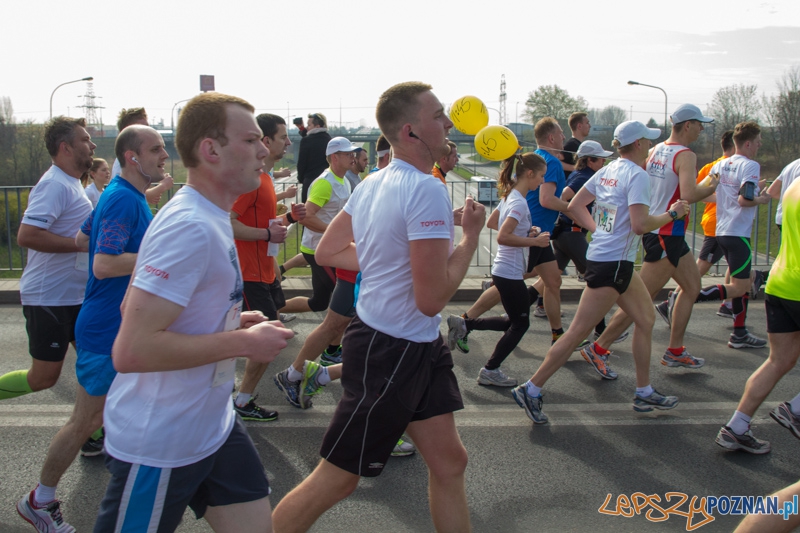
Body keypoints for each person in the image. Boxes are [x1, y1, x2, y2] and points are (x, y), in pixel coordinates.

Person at [272, 81, 485, 533]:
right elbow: (432, 300)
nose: (448, 122)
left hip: (415, 345)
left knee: (450, 462)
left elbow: (329, 251)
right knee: (336, 480)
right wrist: (469, 237)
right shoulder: (425, 190)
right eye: (439, 115)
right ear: (410, 131)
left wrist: (388, 258)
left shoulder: (372, 182)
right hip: (394, 348)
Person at [92, 93, 294, 533]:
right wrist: (243, 342)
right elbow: (133, 350)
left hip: (212, 426)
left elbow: (138, 306)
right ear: (211, 149)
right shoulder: (189, 226)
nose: (265, 150)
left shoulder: (210, 214)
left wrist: (229, 322)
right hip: (162, 439)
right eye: (252, 139)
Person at [16, 125, 167, 533]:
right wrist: (159, 256)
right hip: (105, 328)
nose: (165, 156)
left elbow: (85, 238)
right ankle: (40, 500)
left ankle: (137, 493)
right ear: (133, 157)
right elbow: (103, 263)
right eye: (156, 149)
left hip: (118, 322)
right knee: (86, 420)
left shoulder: (121, 195)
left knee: (133, 412)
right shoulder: (122, 198)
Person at [511, 121, 687, 423]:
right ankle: (531, 388)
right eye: (647, 141)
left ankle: (644, 391)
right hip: (613, 264)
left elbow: (575, 204)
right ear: (640, 144)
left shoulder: (609, 170)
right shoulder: (637, 175)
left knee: (645, 319)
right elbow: (640, 225)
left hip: (613, 259)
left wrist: (599, 230)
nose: (649, 145)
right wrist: (673, 213)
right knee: (578, 332)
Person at [587, 104, 718, 371]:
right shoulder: (686, 155)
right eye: (699, 123)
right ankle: (598, 347)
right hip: (665, 231)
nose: (702, 128)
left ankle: (675, 349)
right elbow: (690, 194)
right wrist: (712, 184)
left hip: (668, 232)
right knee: (641, 302)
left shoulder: (656, 149)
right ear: (687, 125)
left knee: (692, 288)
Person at [0, 117, 94, 407]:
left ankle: (95, 432)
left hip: (74, 295)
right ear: (65, 147)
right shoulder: (54, 184)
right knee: (43, 378)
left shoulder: (71, 183)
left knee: (96, 366)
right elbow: (27, 236)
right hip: (50, 298)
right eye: (85, 140)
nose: (92, 145)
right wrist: (79, 245)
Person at [447, 152, 549, 387]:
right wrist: (534, 241)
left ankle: (465, 324)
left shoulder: (510, 197)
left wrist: (525, 232)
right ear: (530, 173)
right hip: (509, 272)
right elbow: (503, 236)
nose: (542, 181)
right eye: (541, 176)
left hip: (505, 271)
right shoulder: (519, 202)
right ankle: (490, 370)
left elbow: (494, 223)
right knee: (520, 324)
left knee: (511, 320)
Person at [230, 113, 307, 422]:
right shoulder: (250, 180)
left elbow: (264, 224)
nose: (288, 142)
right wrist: (265, 234)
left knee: (261, 338)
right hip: (248, 274)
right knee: (264, 340)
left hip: (264, 271)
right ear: (265, 141)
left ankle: (232, 394)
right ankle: (239, 399)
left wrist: (288, 219)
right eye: (283, 137)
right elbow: (228, 222)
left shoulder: (265, 178)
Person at [715, 177, 800, 454]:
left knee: (779, 360)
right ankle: (795, 409)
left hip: (780, 281)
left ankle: (737, 427)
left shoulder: (796, 182)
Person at [700, 120, 771, 349]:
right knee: (741, 287)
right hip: (738, 233)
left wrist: (726, 198)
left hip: (721, 232)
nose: (759, 146)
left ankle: (739, 333)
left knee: (744, 280)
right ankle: (693, 296)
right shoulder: (750, 166)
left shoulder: (721, 165)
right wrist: (762, 198)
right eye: (758, 142)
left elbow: (703, 193)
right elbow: (745, 199)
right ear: (748, 143)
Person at [552, 140, 626, 344]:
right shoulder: (585, 177)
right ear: (590, 160)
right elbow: (565, 197)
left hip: (566, 234)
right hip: (572, 235)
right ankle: (601, 332)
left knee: (547, 280)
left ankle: (516, 308)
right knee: (599, 281)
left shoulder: (580, 175)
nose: (603, 161)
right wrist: (578, 218)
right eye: (601, 158)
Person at [280, 137, 357, 316]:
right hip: (318, 250)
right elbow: (305, 217)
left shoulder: (344, 180)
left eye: (353, 153)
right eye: (348, 154)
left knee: (319, 302)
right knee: (345, 297)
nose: (353, 157)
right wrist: (335, 232)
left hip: (328, 247)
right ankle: (335, 340)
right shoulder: (325, 183)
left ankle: (271, 309)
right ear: (335, 157)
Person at [112, 107, 174, 205]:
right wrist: (162, 186)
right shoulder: (122, 166)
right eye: (141, 127)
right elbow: (131, 198)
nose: (165, 155)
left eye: (148, 127)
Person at [297, 112, 331, 203]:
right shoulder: (329, 140)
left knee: (307, 212)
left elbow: (301, 163)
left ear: (317, 126)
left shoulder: (306, 141)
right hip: (326, 181)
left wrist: (301, 178)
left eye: (309, 125)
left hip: (310, 181)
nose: (307, 127)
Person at [561, 112, 591, 179]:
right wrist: (575, 169)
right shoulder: (572, 144)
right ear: (579, 126)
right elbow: (556, 161)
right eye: (587, 123)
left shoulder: (578, 144)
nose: (590, 126)